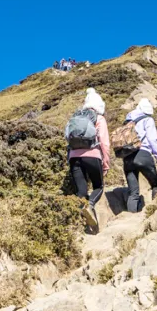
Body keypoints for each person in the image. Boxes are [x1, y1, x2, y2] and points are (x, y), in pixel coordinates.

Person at [67, 88, 111, 229]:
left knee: (81, 191)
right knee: (98, 186)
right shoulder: (99, 118)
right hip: (92, 155)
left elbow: (67, 137)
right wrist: (106, 163)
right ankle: (90, 206)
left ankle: (81, 223)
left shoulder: (74, 117)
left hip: (74, 157)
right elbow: (104, 142)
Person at [122, 99, 157, 212]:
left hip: (127, 158)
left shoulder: (127, 121)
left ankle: (131, 217)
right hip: (143, 154)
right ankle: (156, 213)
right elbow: (152, 139)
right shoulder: (147, 119)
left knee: (133, 192)